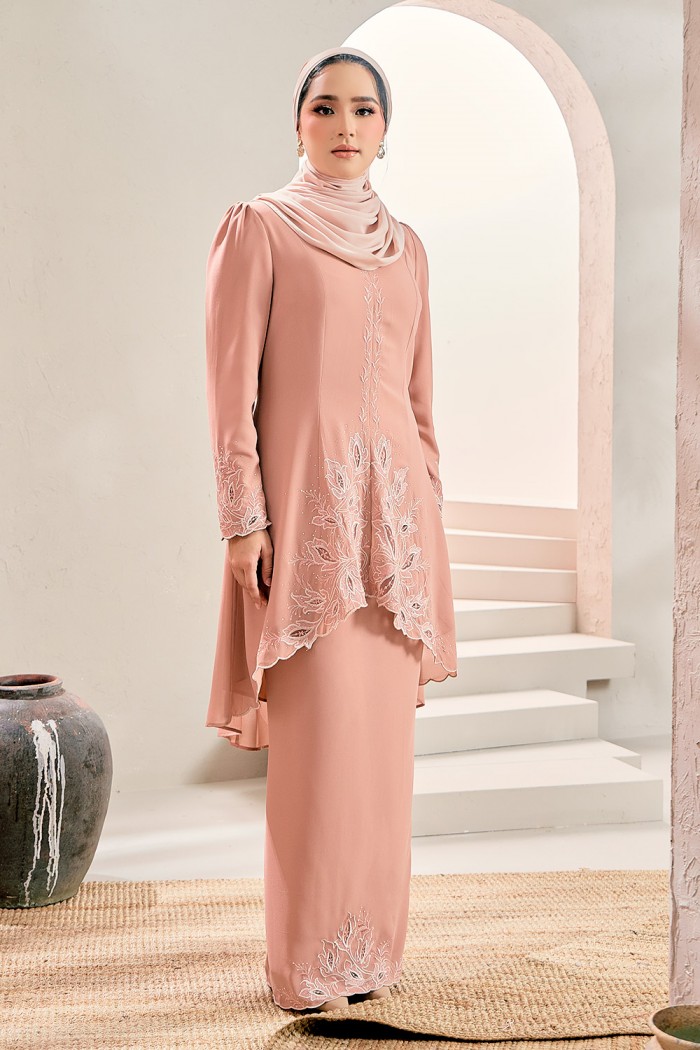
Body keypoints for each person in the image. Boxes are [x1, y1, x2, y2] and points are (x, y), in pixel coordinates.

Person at [204, 45, 458, 1012]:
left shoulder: (410, 248)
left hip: (395, 539)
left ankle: (372, 959)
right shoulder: (260, 229)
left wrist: (430, 518)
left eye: (363, 110)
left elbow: (420, 405)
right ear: (298, 122)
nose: (345, 126)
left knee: (381, 765)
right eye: (325, 108)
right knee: (316, 760)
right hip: (308, 534)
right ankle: (306, 968)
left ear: (386, 130)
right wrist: (243, 521)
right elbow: (231, 393)